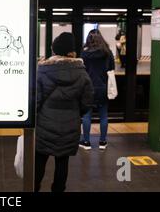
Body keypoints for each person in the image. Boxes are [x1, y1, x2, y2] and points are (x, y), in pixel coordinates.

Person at [35, 32, 94, 192]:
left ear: (54, 50)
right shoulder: (82, 73)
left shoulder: (42, 71)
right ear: (72, 51)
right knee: (62, 163)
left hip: (44, 126)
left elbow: (36, 101)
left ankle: (34, 188)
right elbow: (87, 102)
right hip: (69, 126)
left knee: (39, 161)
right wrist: (75, 113)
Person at [79, 29, 115, 150]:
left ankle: (86, 142)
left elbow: (81, 71)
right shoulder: (108, 53)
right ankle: (103, 142)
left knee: (86, 116)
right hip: (103, 88)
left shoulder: (84, 54)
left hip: (88, 88)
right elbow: (111, 69)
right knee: (104, 116)